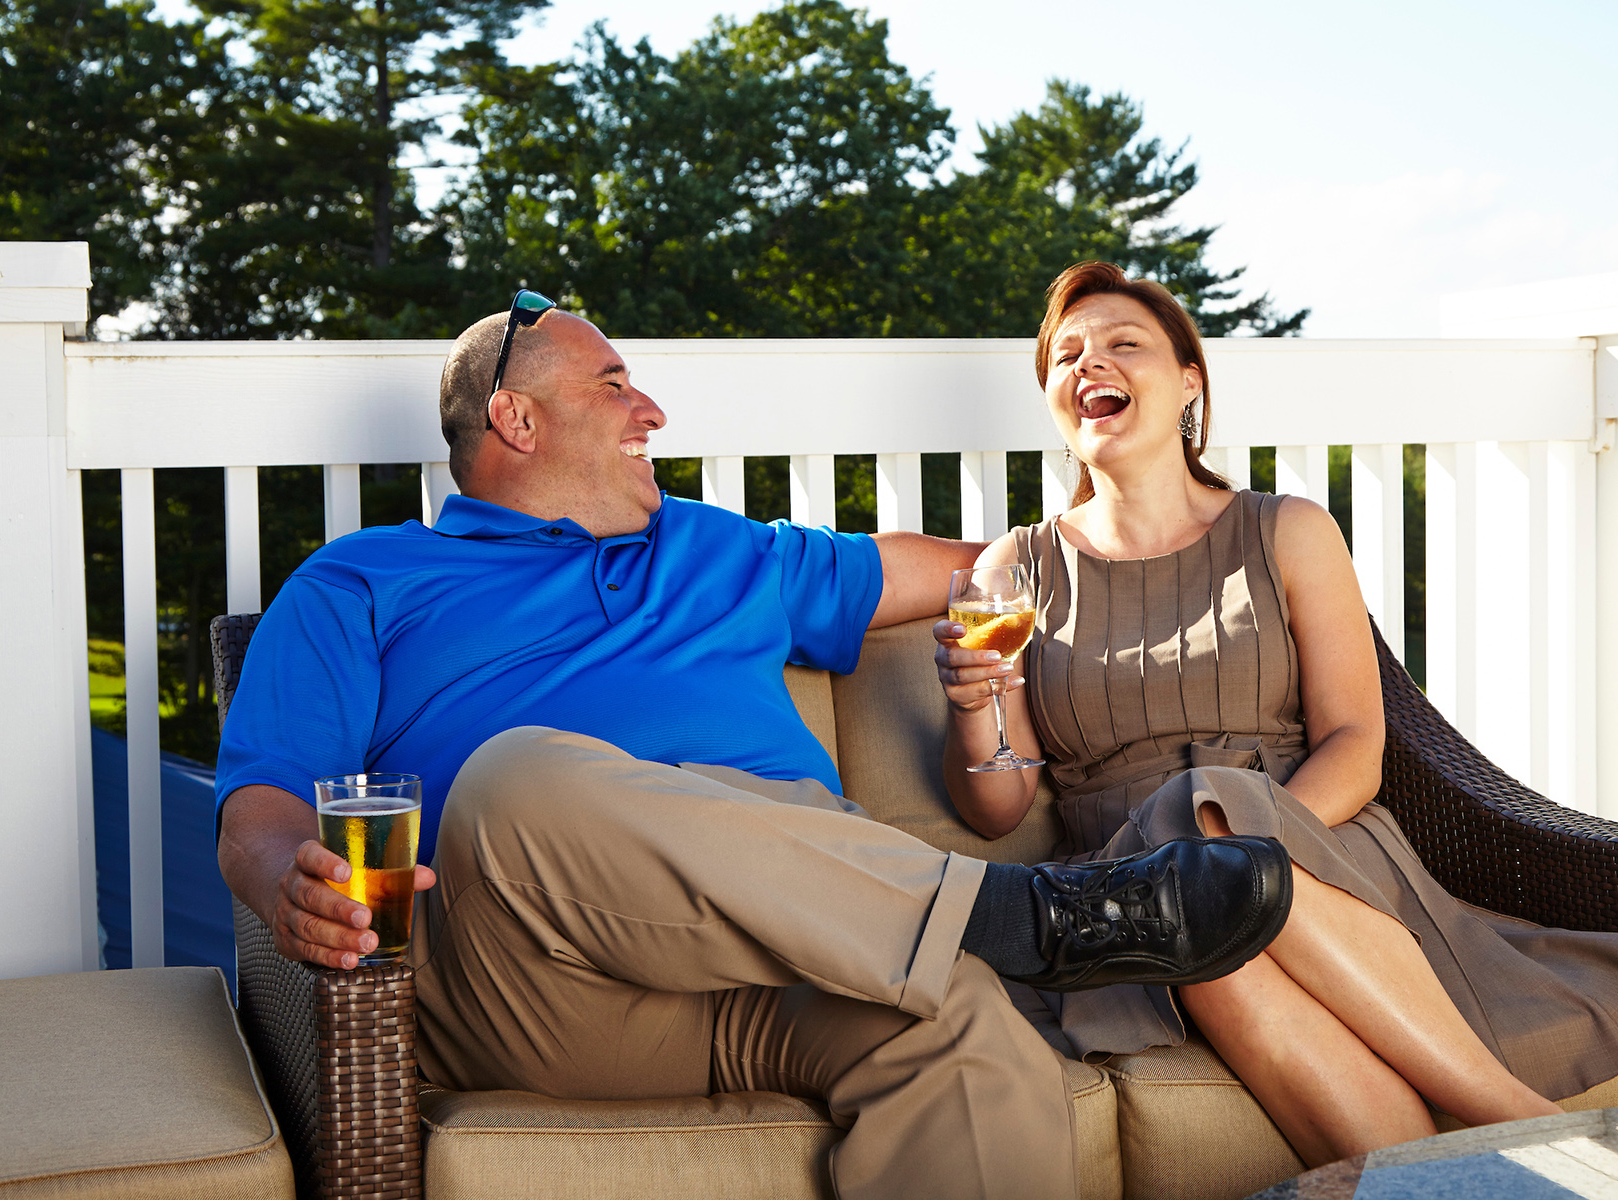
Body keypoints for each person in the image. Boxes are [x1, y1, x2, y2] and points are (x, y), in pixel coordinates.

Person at [213, 291, 1295, 1200]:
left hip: (790, 961)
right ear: (516, 419)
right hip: (542, 975)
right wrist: (286, 884)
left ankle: (983, 931)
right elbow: (261, 804)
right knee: (517, 775)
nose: (652, 409)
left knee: (959, 1025)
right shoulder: (361, 582)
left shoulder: (722, 548)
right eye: (613, 385)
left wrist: (1190, 549)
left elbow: (989, 567)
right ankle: (1012, 918)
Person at [933, 261, 1618, 1168]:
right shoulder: (1012, 572)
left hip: (1311, 840)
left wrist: (1254, 844)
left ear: (1190, 382)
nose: (1087, 363)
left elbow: (1358, 743)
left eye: (1121, 345)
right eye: (1065, 356)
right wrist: (973, 704)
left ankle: (1507, 1148)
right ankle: (1529, 1143)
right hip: (1130, 887)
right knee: (1190, 903)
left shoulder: (1288, 530)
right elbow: (997, 808)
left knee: (1207, 845)